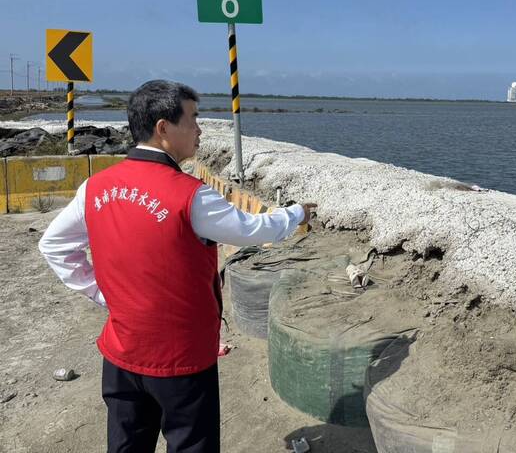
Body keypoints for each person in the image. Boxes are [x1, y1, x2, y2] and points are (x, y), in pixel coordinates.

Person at [38, 80, 316, 453]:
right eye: (193, 119)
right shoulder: (190, 195)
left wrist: (103, 294)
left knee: (126, 444)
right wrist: (296, 213)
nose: (200, 130)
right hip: (181, 358)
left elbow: (54, 245)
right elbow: (253, 229)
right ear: (163, 128)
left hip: (121, 351)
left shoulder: (95, 187)